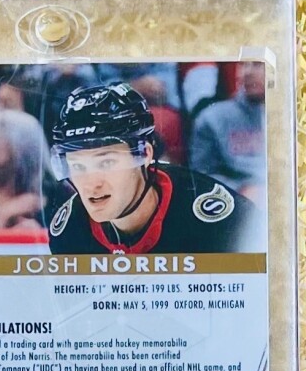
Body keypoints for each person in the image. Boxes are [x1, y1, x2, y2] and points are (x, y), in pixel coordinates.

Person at [47, 83, 262, 255]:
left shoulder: (221, 224)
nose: (91, 184)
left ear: (145, 155)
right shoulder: (70, 230)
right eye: (78, 166)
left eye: (106, 163)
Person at [190, 62, 266, 205]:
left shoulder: (297, 117)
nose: (247, 72)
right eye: (243, 65)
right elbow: (200, 176)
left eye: (257, 64)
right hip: (236, 204)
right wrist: (239, 191)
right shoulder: (212, 118)